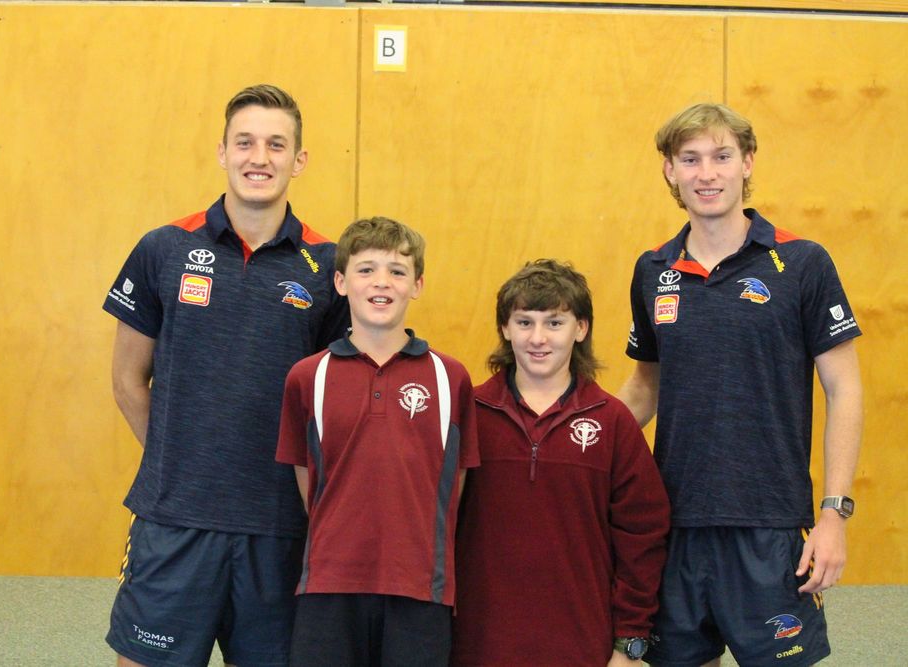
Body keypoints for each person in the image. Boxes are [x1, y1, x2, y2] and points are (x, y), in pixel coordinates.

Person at [102, 84, 350, 667]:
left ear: (299, 160)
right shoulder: (163, 248)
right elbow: (126, 381)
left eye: (275, 144)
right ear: (222, 151)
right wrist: (177, 459)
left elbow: (337, 400)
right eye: (245, 142)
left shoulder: (328, 267)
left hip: (280, 529)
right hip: (174, 522)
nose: (258, 158)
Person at [618, 103, 863, 666]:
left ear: (747, 163)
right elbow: (644, 388)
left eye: (722, 156)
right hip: (673, 523)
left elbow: (845, 389)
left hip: (768, 524)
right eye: (691, 159)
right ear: (669, 171)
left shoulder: (802, 262)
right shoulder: (653, 270)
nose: (708, 173)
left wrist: (833, 514)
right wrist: (567, 432)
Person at [275, 216, 480, 666]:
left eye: (397, 271)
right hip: (329, 584)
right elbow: (309, 482)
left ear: (418, 284)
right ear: (341, 281)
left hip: (421, 587)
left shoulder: (452, 378)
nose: (381, 282)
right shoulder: (308, 377)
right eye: (366, 269)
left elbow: (454, 484)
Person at [452, 259, 670, 667]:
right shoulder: (468, 414)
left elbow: (643, 536)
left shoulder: (613, 421)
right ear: (504, 328)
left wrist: (630, 641)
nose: (538, 338)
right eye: (524, 322)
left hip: (582, 645)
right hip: (478, 645)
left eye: (554, 323)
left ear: (581, 329)